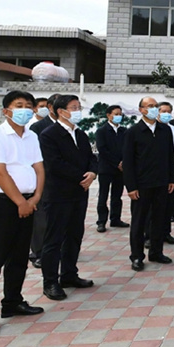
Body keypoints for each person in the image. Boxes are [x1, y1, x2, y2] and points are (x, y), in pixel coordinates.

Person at [0, 91, 45, 338]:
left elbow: (39, 168)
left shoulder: (31, 136)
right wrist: (20, 201)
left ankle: (12, 302)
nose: (25, 110)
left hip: (28, 202)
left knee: (19, 257)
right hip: (3, 205)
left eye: (29, 106)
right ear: (6, 110)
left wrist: (35, 198)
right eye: (19, 106)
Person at [39, 95, 98, 301]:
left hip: (79, 193)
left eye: (78, 107)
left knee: (74, 235)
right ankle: (50, 282)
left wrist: (92, 172)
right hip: (58, 194)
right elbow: (54, 164)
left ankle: (69, 274)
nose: (77, 111)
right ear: (60, 111)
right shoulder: (49, 135)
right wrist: (81, 177)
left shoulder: (80, 134)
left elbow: (92, 157)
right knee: (54, 240)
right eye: (74, 107)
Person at [123, 97, 174, 271]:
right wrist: (131, 187)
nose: (154, 109)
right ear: (142, 110)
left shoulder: (165, 130)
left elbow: (170, 156)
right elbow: (128, 162)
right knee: (139, 221)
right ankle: (137, 256)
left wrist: (171, 179)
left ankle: (156, 251)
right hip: (142, 184)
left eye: (156, 106)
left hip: (161, 183)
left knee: (159, 219)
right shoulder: (133, 132)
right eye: (150, 106)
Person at [28, 93, 60, 269]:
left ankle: (54, 248)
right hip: (43, 177)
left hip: (62, 182)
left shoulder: (70, 127)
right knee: (41, 217)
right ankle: (38, 252)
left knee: (57, 217)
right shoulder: (38, 128)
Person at [95, 105, 129, 232]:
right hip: (106, 168)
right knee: (103, 195)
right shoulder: (102, 131)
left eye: (120, 114)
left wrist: (124, 162)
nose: (118, 116)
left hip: (120, 170)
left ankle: (115, 218)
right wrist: (117, 163)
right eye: (116, 114)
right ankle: (101, 221)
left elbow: (128, 148)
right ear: (108, 115)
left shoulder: (124, 131)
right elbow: (102, 150)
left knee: (117, 195)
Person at [158, 102, 174, 244]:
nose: (166, 114)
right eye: (163, 111)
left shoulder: (173, 129)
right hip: (156, 173)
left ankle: (166, 232)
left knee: (168, 204)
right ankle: (150, 235)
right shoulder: (153, 129)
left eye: (169, 111)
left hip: (170, 172)